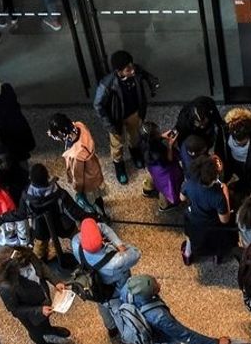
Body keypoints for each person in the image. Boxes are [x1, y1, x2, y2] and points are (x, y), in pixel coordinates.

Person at [120, 275, 231, 344]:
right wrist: (215, 343)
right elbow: (185, 335)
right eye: (155, 286)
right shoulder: (160, 316)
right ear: (150, 294)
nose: (159, 284)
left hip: (140, 333)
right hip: (160, 338)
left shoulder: (127, 288)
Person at [93, 50, 160, 184]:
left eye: (132, 66)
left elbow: (146, 75)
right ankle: (119, 165)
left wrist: (153, 83)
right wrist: (109, 124)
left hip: (134, 112)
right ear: (119, 71)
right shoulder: (108, 83)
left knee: (135, 136)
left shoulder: (136, 71)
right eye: (128, 69)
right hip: (116, 118)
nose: (132, 71)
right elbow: (98, 104)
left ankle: (135, 154)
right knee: (117, 144)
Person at [2, 163, 91, 262]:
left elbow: (21, 214)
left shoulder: (27, 197)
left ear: (31, 179)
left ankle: (40, 267)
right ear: (47, 176)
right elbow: (75, 212)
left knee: (38, 251)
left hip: (41, 228)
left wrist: (3, 218)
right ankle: (87, 258)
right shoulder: (60, 194)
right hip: (63, 224)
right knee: (80, 240)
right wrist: (91, 217)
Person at [72, 218, 142, 338]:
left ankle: (111, 328)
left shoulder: (75, 243)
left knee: (103, 307)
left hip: (95, 286)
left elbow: (100, 226)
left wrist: (116, 241)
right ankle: (127, 339)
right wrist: (120, 245)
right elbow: (136, 253)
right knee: (119, 313)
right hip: (115, 291)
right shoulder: (117, 261)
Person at [0, 246, 71, 344]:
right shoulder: (6, 286)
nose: (30, 271)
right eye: (24, 270)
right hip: (30, 315)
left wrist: (56, 281)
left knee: (45, 321)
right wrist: (39, 310)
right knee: (35, 331)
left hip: (42, 299)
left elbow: (41, 266)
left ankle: (49, 329)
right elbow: (14, 310)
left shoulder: (26, 256)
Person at [48, 113, 108, 219]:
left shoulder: (75, 154)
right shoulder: (79, 126)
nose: (55, 137)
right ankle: (102, 211)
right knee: (97, 195)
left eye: (55, 135)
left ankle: (100, 216)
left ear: (61, 133)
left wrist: (77, 188)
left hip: (87, 180)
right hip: (93, 168)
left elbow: (78, 176)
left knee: (91, 199)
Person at [181, 154, 236, 265]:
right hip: (211, 224)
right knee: (220, 235)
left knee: (189, 236)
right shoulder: (218, 196)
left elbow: (182, 198)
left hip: (193, 220)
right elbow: (224, 220)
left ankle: (187, 254)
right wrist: (225, 194)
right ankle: (217, 256)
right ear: (214, 177)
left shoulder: (189, 183)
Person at [0, 155, 29, 247]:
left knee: (7, 227)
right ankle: (24, 241)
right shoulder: (20, 179)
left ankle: (11, 239)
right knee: (22, 225)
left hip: (2, 212)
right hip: (18, 209)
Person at [137, 121, 183, 211]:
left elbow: (151, 142)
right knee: (165, 188)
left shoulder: (143, 142)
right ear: (152, 137)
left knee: (153, 178)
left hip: (152, 167)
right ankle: (163, 205)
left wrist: (161, 137)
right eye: (157, 132)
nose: (159, 132)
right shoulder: (157, 154)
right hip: (163, 170)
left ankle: (147, 189)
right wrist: (170, 145)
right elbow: (168, 160)